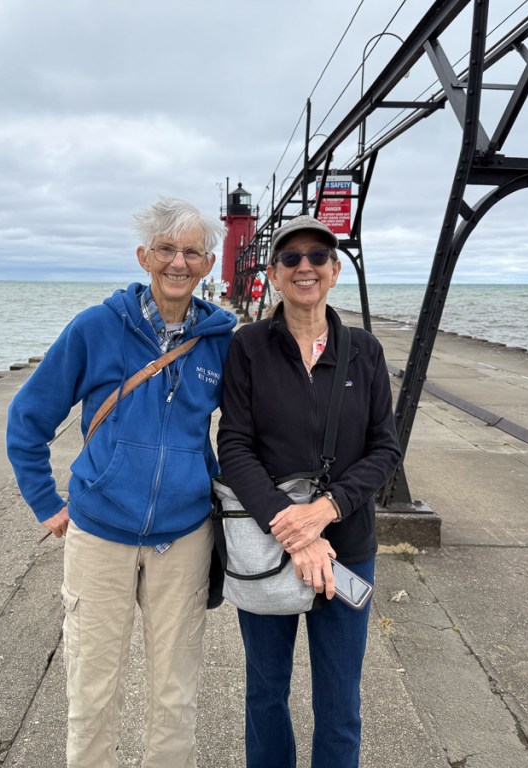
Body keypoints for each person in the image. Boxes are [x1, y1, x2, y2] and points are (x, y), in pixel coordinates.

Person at [7, 197, 237, 767]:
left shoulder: (221, 342)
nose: (177, 263)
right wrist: (46, 503)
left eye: (191, 252)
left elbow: (248, 432)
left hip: (183, 537)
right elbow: (27, 420)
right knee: (91, 690)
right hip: (99, 534)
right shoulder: (95, 327)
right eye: (165, 250)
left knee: (175, 693)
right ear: (143, 257)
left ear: (208, 265)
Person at [217, 214, 401, 767]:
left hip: (347, 550)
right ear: (273, 274)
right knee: (265, 692)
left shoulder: (364, 352)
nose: (305, 267)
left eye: (318, 257)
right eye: (292, 258)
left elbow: (385, 451)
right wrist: (292, 528)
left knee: (340, 699)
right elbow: (235, 448)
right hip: (269, 545)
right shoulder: (248, 347)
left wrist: (324, 511)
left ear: (335, 271)